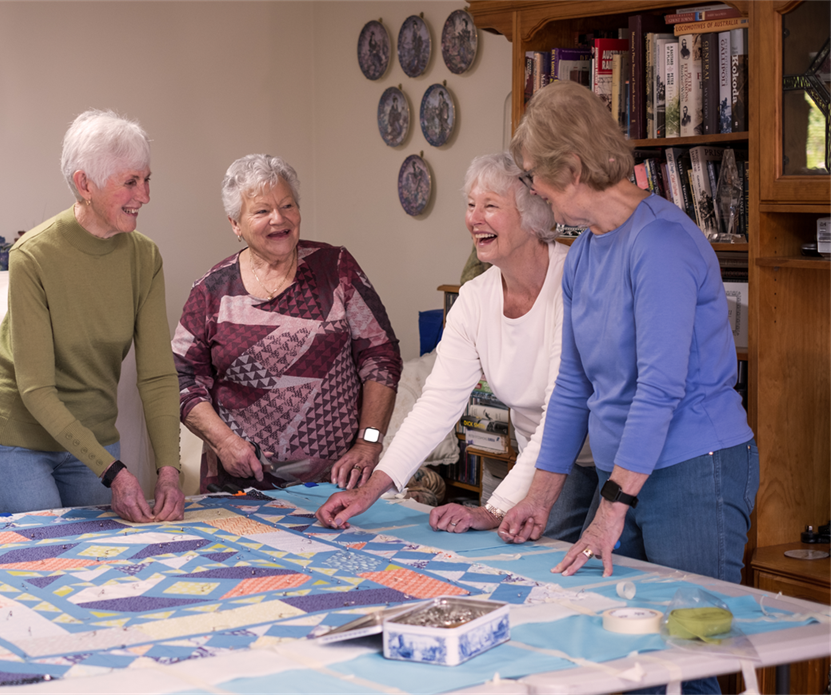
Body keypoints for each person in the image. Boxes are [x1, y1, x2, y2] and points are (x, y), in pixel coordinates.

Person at [501, 81, 756, 695]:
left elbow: (660, 388)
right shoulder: (584, 253)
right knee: (618, 659)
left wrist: (612, 507)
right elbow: (573, 385)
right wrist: (540, 495)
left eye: (536, 174)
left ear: (573, 168)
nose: (531, 188)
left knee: (689, 662)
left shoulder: (662, 243)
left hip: (695, 471)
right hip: (628, 475)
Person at [317, 153, 596, 536]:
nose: (473, 218)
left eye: (490, 206)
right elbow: (436, 405)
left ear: (532, 214)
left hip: (608, 457)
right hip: (546, 464)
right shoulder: (473, 299)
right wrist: (371, 492)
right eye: (470, 205)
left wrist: (495, 508)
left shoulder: (573, 279)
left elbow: (561, 411)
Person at [0, 109, 183, 524]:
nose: (145, 196)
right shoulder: (33, 256)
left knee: (114, 559)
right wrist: (115, 474)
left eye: (147, 179)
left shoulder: (145, 257)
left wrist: (169, 472)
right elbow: (36, 389)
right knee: (48, 557)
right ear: (85, 184)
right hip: (14, 442)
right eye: (130, 183)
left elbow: (157, 376)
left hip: (94, 443)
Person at [172, 154, 401, 493]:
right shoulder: (212, 291)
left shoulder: (335, 268)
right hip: (241, 486)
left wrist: (369, 443)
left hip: (338, 484)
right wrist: (224, 443)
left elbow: (381, 356)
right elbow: (182, 377)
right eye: (262, 211)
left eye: (287, 206)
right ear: (236, 224)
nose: (279, 219)